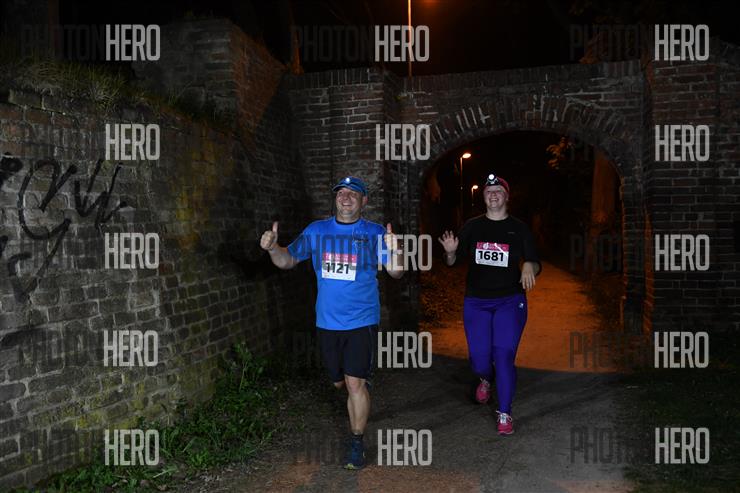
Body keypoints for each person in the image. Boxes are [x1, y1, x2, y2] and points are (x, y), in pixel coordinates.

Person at [260, 176, 404, 469]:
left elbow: (396, 272)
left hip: (362, 320)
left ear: (364, 201)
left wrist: (396, 250)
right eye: (341, 192)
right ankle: (357, 381)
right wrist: (274, 248)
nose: (346, 197)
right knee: (338, 381)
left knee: (353, 383)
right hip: (327, 322)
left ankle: (356, 441)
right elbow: (287, 260)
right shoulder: (317, 231)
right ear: (335, 198)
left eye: (354, 193)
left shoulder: (375, 233)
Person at [438, 173, 541, 435]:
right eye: (488, 191)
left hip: (510, 301)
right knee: (479, 361)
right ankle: (485, 378)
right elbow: (452, 262)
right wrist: (450, 252)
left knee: (503, 357)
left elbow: (534, 260)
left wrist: (529, 265)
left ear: (507, 197)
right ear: (483, 197)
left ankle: (505, 413)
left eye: (498, 191)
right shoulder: (472, 227)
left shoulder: (519, 228)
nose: (493, 195)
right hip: (477, 302)